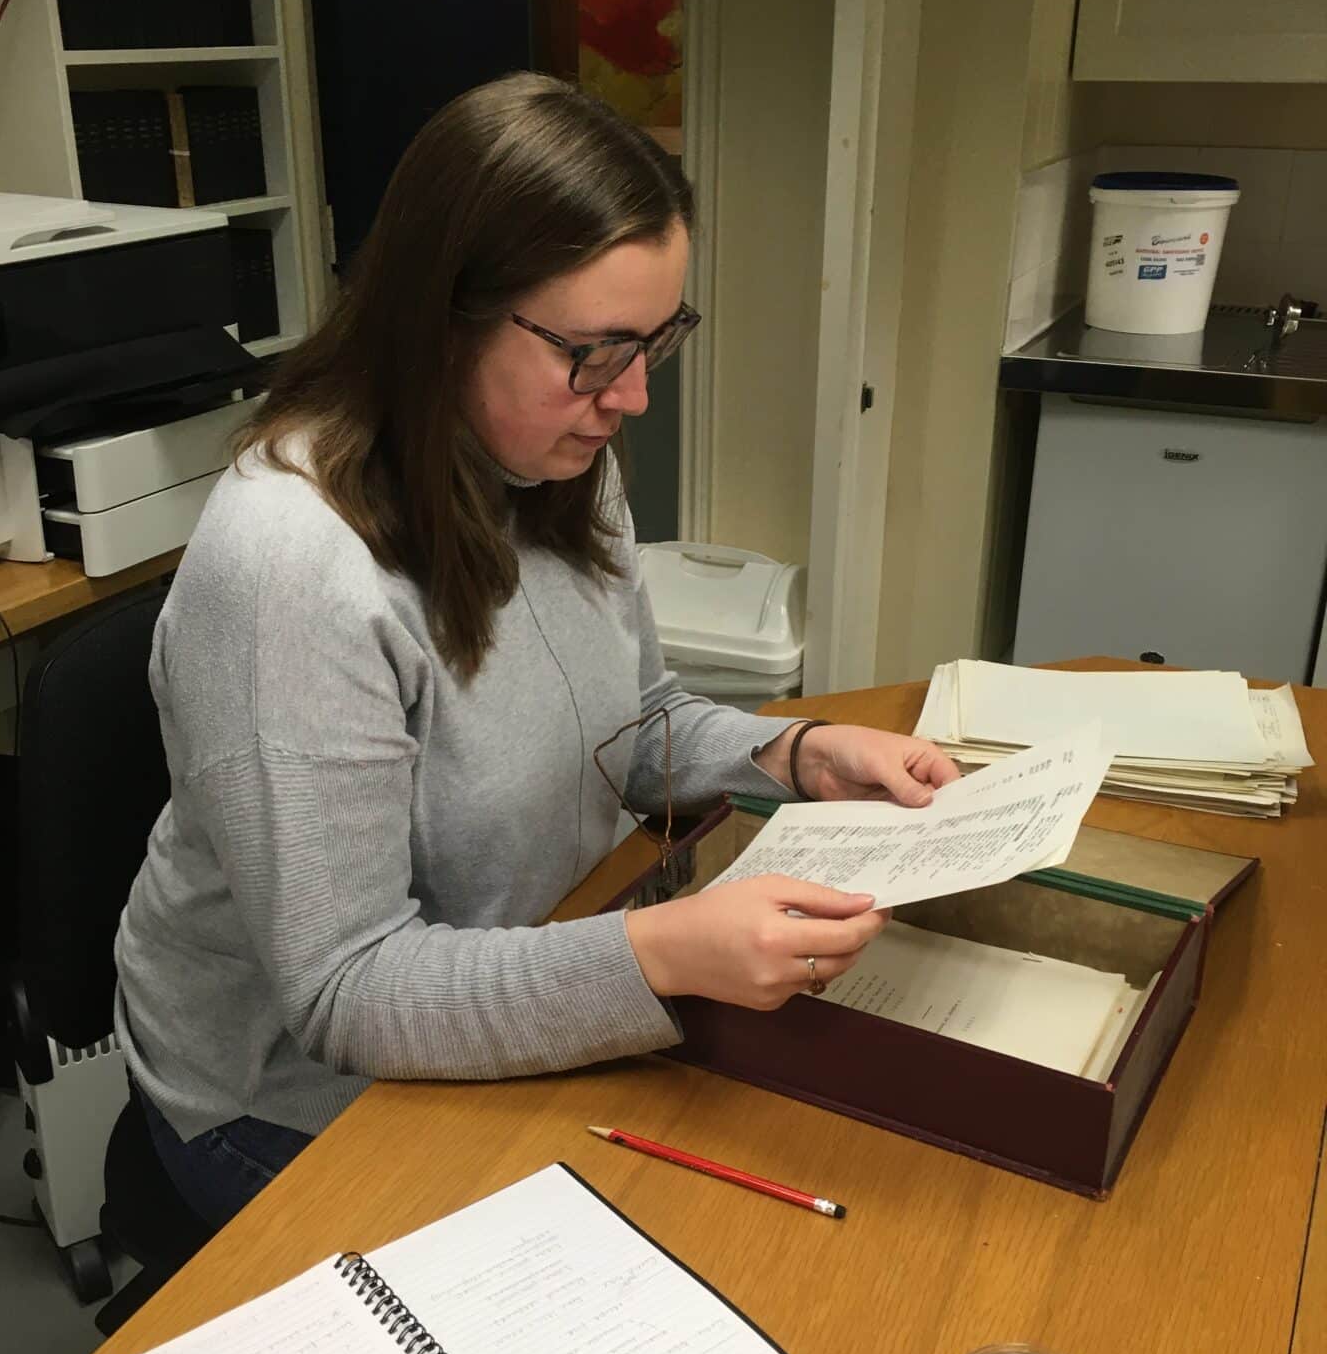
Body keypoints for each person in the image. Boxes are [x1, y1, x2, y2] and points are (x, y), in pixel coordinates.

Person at [116, 72, 957, 1230]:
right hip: (296, 1103)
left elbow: (634, 714)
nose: (637, 397)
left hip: (537, 956)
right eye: (599, 351)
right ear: (446, 314)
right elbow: (347, 991)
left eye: (658, 341)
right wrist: (658, 955)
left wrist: (797, 753)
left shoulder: (555, 456)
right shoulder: (290, 569)